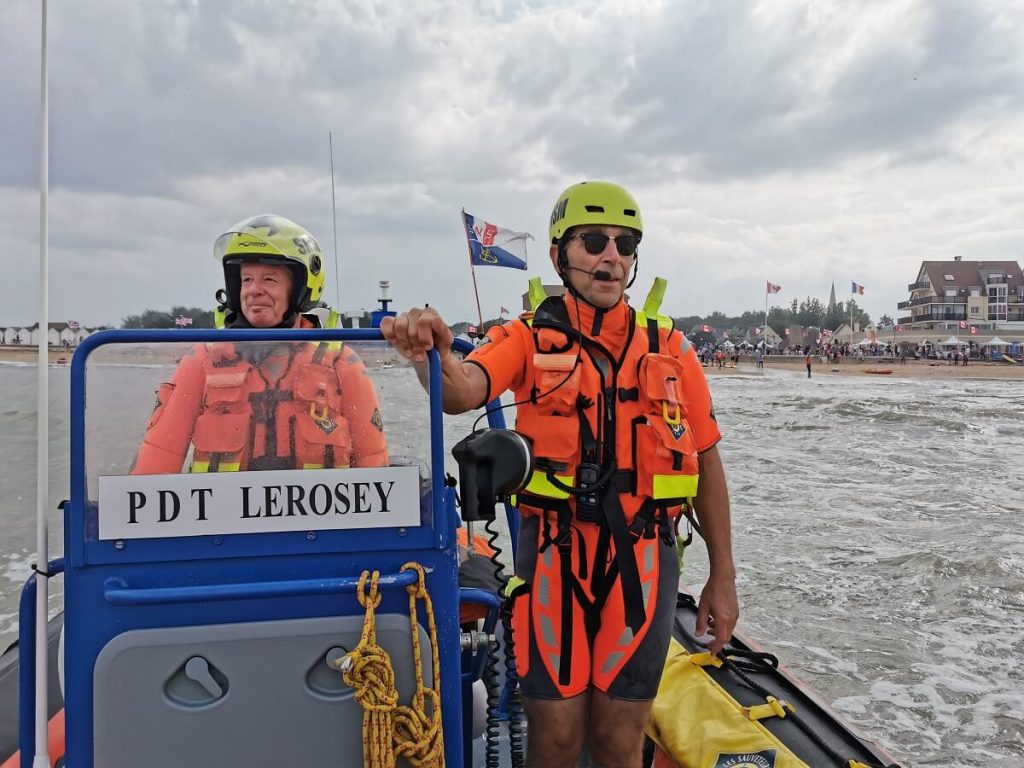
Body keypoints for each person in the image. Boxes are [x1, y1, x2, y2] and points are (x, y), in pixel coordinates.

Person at [382, 181, 738, 768]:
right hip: (553, 555)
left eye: (625, 245)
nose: (611, 257)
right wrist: (433, 352)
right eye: (594, 241)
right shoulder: (526, 335)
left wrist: (723, 577)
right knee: (556, 739)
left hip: (646, 565)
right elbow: (462, 388)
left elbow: (706, 461)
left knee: (622, 743)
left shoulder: (671, 347)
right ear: (558, 255)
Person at [133, 214, 389, 474]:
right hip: (221, 512)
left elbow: (374, 464)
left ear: (300, 290)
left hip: (321, 513)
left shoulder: (341, 362)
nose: (253, 290)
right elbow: (158, 457)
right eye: (246, 280)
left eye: (269, 280)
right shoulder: (202, 359)